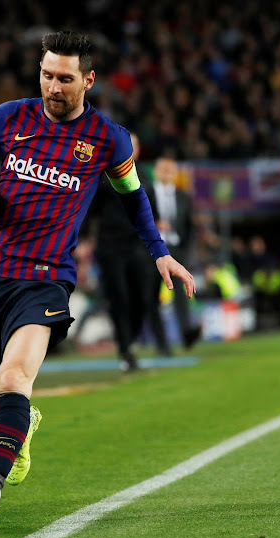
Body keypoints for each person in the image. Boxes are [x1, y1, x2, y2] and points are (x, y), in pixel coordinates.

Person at [0, 30, 196, 528]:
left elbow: (133, 197)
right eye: (47, 75)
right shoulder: (13, 116)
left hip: (45, 279)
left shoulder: (107, 139)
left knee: (14, 378)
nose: (54, 85)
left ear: (88, 80)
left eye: (65, 78)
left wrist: (160, 253)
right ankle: (19, 423)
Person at [86, 132, 171, 371]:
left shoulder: (144, 174)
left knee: (143, 298)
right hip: (110, 245)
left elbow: (150, 209)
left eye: (133, 144)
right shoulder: (103, 174)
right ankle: (126, 349)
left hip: (138, 245)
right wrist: (81, 238)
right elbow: (89, 208)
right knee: (119, 297)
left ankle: (130, 339)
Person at [151, 157, 201, 348]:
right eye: (163, 169)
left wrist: (186, 253)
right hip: (153, 249)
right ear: (156, 172)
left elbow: (189, 228)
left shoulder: (183, 197)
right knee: (152, 294)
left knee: (182, 292)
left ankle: (187, 333)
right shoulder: (146, 194)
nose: (166, 173)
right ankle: (161, 343)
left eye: (170, 170)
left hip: (176, 250)